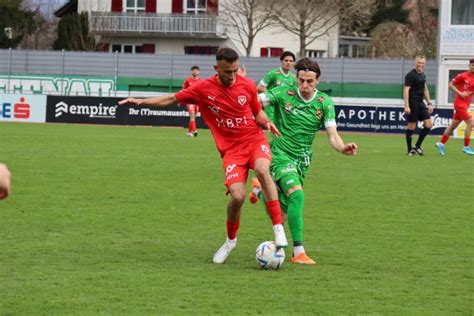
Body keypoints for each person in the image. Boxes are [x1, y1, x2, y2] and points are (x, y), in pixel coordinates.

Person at [119, 48, 288, 264]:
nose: (232, 76)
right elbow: (172, 98)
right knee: (237, 197)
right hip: (231, 151)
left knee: (263, 170)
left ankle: (278, 228)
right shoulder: (203, 88)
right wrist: (142, 101)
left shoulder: (247, 84)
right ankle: (230, 241)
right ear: (217, 68)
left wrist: (267, 122)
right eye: (227, 72)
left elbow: (257, 112)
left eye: (235, 71)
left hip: (254, 140)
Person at [249, 58, 358, 265]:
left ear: (318, 80)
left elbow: (332, 135)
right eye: (301, 81)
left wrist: (342, 148)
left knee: (283, 212)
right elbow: (254, 101)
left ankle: (260, 191)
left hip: (302, 161)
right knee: (297, 196)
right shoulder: (283, 93)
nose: (305, 86)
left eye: (309, 81)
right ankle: (298, 251)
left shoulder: (324, 102)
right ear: (296, 79)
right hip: (279, 155)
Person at [436, 58, 474, 156]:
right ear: (469, 66)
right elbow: (451, 85)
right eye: (472, 65)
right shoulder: (462, 76)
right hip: (460, 104)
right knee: (471, 123)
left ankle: (441, 143)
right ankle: (466, 147)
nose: (473, 67)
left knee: (453, 126)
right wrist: (460, 93)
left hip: (466, 104)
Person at [403, 55, 434, 156]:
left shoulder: (423, 75)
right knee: (412, 125)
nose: (421, 65)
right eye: (419, 63)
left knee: (429, 124)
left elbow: (425, 89)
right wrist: (406, 105)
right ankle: (409, 149)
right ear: (415, 63)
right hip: (412, 103)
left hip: (421, 103)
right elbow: (406, 90)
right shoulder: (410, 75)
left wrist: (429, 103)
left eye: (422, 63)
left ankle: (417, 146)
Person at [257, 51, 297, 122]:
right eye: (286, 60)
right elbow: (259, 87)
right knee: (270, 130)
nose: (288, 63)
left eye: (291, 61)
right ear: (281, 61)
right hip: (272, 109)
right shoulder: (273, 73)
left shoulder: (293, 78)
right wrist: (273, 96)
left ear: (293, 63)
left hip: (285, 110)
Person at [182, 65, 202, 137]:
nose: (195, 72)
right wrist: (180, 100)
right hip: (189, 101)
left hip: (197, 102)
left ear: (198, 72)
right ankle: (195, 130)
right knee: (192, 115)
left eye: (196, 70)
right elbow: (183, 90)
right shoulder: (188, 80)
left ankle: (189, 132)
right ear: (192, 72)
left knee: (192, 118)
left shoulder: (201, 81)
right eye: (193, 70)